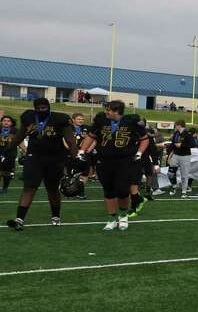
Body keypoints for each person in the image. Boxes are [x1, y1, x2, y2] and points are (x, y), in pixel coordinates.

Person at [5, 97, 75, 230]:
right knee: (29, 187)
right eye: (39, 108)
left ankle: (56, 216)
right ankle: (19, 219)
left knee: (53, 189)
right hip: (34, 157)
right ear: (35, 108)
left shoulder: (59, 119)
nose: (42, 110)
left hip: (55, 158)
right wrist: (8, 149)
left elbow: (69, 138)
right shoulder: (28, 117)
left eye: (44, 107)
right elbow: (20, 135)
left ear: (48, 107)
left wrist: (74, 155)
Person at [77, 99, 147, 231]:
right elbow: (91, 136)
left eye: (108, 110)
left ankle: (123, 216)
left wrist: (139, 153)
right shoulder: (101, 120)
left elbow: (145, 139)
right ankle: (111, 218)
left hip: (124, 160)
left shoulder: (131, 121)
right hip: (104, 160)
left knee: (123, 190)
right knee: (108, 190)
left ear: (116, 111)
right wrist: (82, 150)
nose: (106, 112)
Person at [167, 120, 196, 196]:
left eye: (175, 125)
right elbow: (173, 145)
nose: (175, 127)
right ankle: (174, 186)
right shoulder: (176, 133)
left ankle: (184, 191)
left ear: (179, 125)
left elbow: (193, 144)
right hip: (175, 155)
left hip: (185, 156)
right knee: (170, 173)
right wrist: (169, 156)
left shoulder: (187, 134)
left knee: (184, 175)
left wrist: (182, 145)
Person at [0, 115, 17, 193]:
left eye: (8, 121)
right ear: (1, 122)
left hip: (10, 154)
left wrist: (25, 151)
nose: (6, 122)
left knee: (6, 172)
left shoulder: (15, 131)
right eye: (4, 120)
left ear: (11, 122)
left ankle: (4, 188)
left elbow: (20, 142)